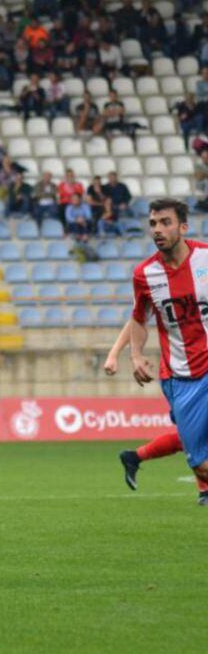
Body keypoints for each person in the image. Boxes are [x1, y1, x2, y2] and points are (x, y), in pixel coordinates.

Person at [127, 198, 208, 504]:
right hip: (181, 377)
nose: (157, 230)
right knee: (199, 463)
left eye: (165, 222)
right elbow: (138, 317)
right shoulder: (144, 274)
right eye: (153, 224)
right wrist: (135, 355)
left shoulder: (205, 258)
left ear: (183, 227)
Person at [104, 319, 208, 504]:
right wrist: (115, 353)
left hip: (199, 373)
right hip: (179, 378)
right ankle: (204, 490)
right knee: (192, 435)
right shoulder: (163, 291)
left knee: (192, 435)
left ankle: (135, 457)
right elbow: (138, 317)